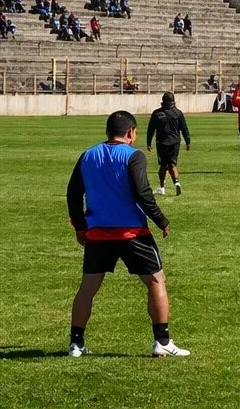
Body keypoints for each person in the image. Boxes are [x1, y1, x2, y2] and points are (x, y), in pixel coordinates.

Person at [65, 110, 188, 358]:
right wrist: (161, 220)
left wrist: (80, 227)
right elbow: (142, 193)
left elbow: (73, 193)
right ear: (131, 132)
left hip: (98, 233)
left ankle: (76, 344)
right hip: (132, 233)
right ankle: (162, 341)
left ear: (107, 131)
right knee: (156, 281)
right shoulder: (133, 156)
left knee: (87, 288)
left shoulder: (87, 155)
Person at [145, 92, 192, 196]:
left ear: (163, 101)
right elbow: (184, 128)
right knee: (172, 163)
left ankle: (162, 187)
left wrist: (148, 142)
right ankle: (176, 182)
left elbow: (151, 129)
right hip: (175, 142)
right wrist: (188, 142)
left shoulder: (157, 113)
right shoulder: (178, 113)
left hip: (162, 143)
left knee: (163, 165)